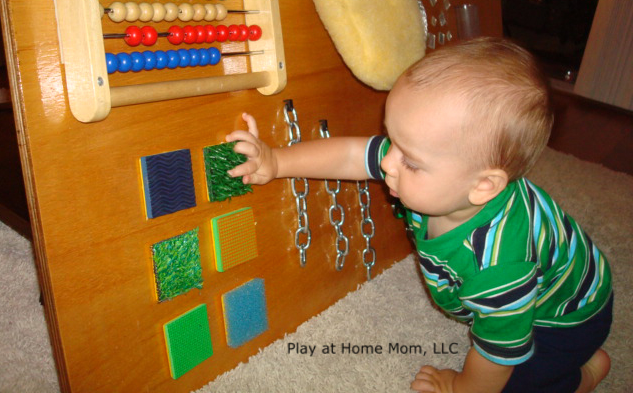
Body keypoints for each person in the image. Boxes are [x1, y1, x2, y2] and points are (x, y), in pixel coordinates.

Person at [225, 37, 612, 393]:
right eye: (392, 140)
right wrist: (276, 161)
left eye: (410, 160)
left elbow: (497, 354)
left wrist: (460, 387)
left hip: (566, 319)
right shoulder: (428, 173)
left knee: (509, 385)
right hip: (529, 289)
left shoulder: (499, 266)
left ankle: (584, 373)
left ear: (483, 187)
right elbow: (351, 155)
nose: (388, 161)